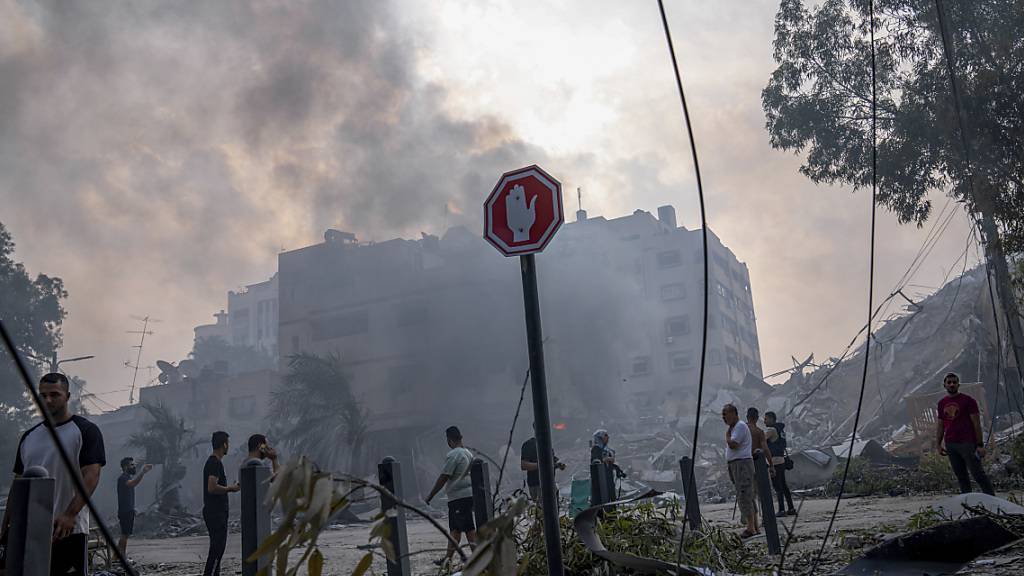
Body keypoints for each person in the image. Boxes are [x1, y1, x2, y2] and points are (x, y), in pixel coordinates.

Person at [0, 372, 106, 576]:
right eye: (43, 395)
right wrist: (5, 527)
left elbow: (91, 476)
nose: (48, 400)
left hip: (66, 531)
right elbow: (19, 483)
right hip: (27, 531)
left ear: (67, 396)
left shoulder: (85, 431)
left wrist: (69, 514)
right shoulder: (29, 437)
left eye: (55, 394)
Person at [935, 372, 995, 496]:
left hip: (967, 443)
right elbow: (941, 425)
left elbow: (976, 423)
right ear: (944, 385)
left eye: (954, 382)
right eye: (949, 382)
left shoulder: (968, 401)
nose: (952, 384)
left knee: (978, 474)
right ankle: (967, 502)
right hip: (951, 444)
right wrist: (938, 444)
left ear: (958, 384)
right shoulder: (942, 403)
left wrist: (979, 444)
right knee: (961, 476)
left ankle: (992, 501)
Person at [425, 426, 476, 567]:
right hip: (464, 496)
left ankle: (478, 559)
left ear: (449, 440)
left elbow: (444, 476)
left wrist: (430, 495)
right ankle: (447, 560)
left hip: (459, 498)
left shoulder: (454, 454)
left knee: (468, 528)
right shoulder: (468, 453)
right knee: (455, 529)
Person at [203, 431, 240, 576]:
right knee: (217, 551)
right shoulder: (214, 462)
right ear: (224, 444)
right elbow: (212, 487)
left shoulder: (214, 462)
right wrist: (230, 489)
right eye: (228, 443)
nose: (228, 446)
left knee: (217, 551)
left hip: (216, 513)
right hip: (216, 513)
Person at [722, 403, 756, 539]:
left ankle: (751, 527)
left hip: (741, 464)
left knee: (744, 494)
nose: (724, 417)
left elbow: (733, 444)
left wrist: (727, 436)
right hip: (736, 464)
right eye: (723, 415)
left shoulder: (740, 426)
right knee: (745, 494)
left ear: (735, 414)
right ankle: (754, 526)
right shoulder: (734, 428)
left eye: (726, 414)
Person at [116, 456, 153, 557]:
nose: (133, 466)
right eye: (131, 465)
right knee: (125, 534)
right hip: (125, 511)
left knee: (125, 534)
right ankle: (121, 556)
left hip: (128, 510)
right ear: (125, 467)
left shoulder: (127, 477)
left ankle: (116, 556)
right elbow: (133, 484)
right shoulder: (123, 478)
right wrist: (143, 472)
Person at [746, 407, 774, 530]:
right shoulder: (759, 432)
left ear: (747, 417)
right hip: (759, 467)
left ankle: (754, 525)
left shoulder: (741, 430)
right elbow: (765, 449)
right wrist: (771, 464)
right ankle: (766, 520)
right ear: (757, 418)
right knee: (763, 495)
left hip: (746, 467)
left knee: (750, 497)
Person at [520, 425, 566, 501]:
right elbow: (524, 465)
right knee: (543, 510)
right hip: (537, 485)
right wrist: (542, 465)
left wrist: (558, 465)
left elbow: (551, 462)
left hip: (550, 483)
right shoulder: (529, 445)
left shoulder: (547, 444)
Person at [764, 411, 796, 516]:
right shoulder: (781, 430)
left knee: (777, 486)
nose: (764, 421)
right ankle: (791, 508)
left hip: (774, 461)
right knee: (784, 486)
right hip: (781, 460)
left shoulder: (772, 430)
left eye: (766, 419)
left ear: (772, 419)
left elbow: (761, 440)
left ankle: (781, 510)